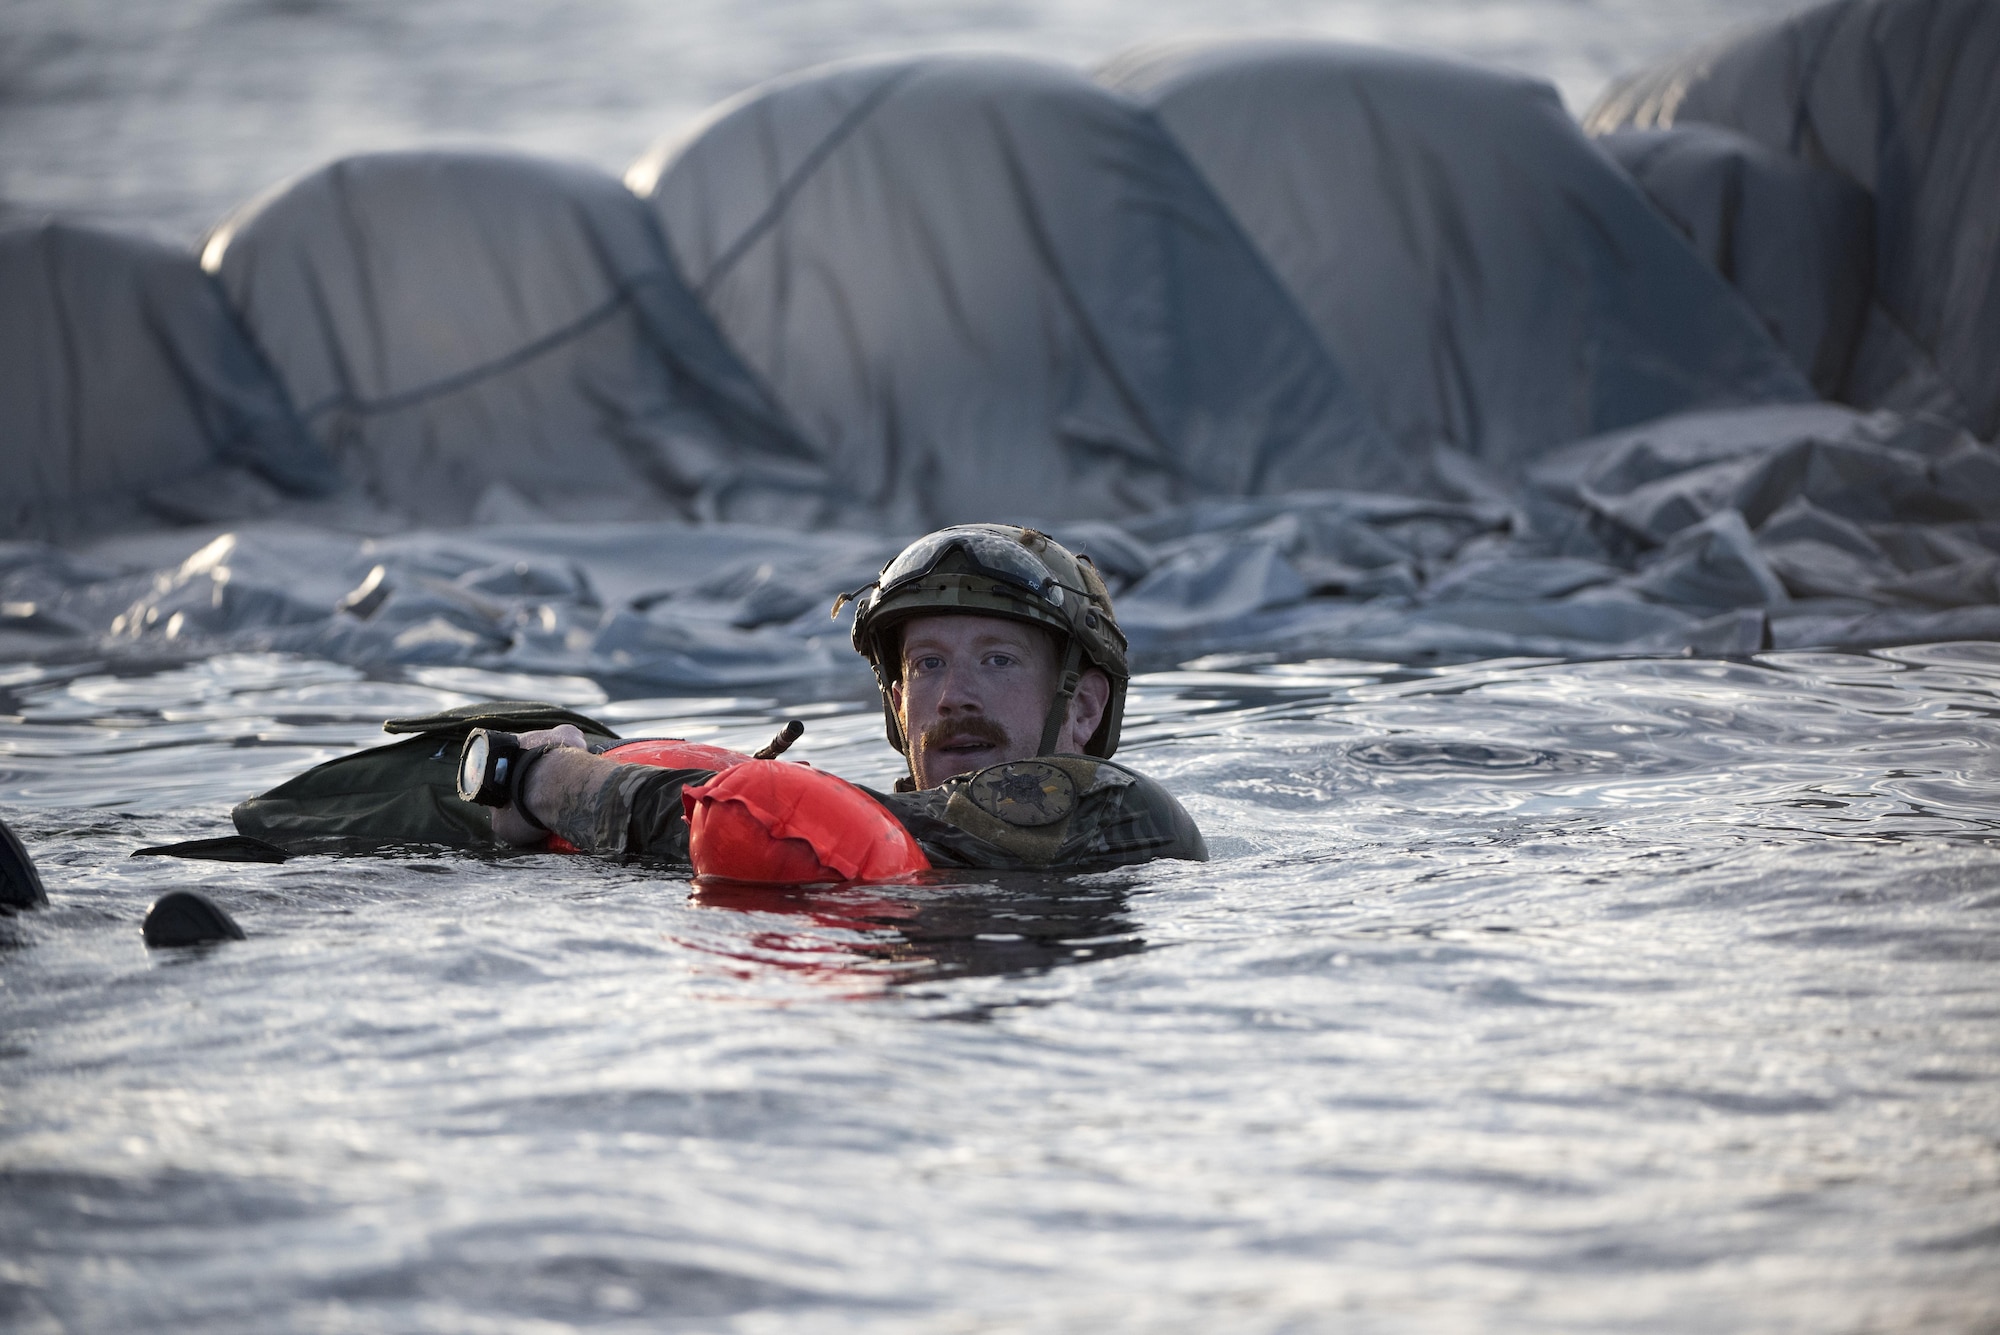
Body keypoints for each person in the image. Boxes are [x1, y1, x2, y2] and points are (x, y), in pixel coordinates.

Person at [485, 524, 1207, 871]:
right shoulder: (913, 840)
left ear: (1082, 707)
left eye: (997, 659)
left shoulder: (1115, 811)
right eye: (927, 665)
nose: (954, 695)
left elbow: (784, 827)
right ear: (897, 704)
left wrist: (545, 780)